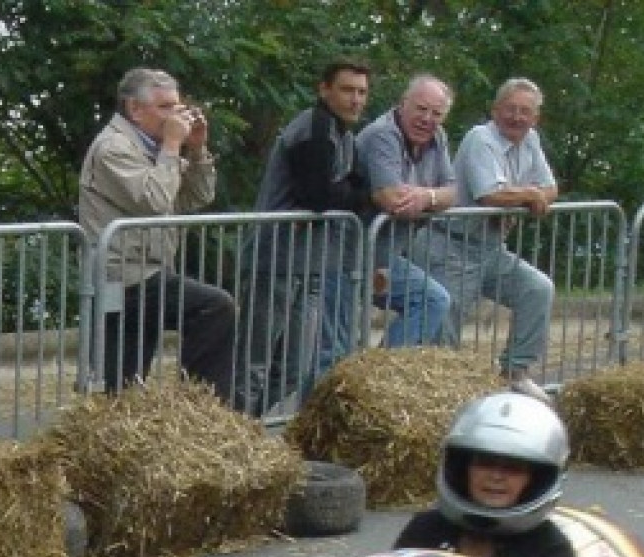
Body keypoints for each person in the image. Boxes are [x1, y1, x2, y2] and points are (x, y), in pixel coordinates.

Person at [78, 66, 236, 402]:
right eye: (165, 107)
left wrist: (196, 150)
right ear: (134, 109)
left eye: (177, 106)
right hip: (124, 278)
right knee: (214, 308)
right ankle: (197, 407)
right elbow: (154, 199)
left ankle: (190, 414)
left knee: (123, 386)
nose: (175, 115)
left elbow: (196, 197)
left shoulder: (156, 147)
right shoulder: (113, 148)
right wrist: (173, 145)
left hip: (150, 273)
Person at [235, 59, 372, 415]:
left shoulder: (346, 136)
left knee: (294, 369)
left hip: (313, 263)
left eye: (362, 92)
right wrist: (354, 195)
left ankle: (246, 427)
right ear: (324, 89)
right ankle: (234, 432)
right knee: (254, 363)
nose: (356, 100)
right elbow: (319, 196)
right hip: (275, 260)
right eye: (347, 90)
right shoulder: (313, 128)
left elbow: (356, 187)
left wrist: (351, 194)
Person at [413, 78, 558, 404]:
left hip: (490, 247)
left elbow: (551, 189)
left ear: (535, 118)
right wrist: (530, 195)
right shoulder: (481, 139)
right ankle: (437, 392)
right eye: (511, 109)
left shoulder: (530, 140)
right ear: (495, 111)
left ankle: (515, 374)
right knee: (447, 317)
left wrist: (527, 196)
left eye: (526, 112)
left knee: (537, 289)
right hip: (451, 243)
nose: (518, 117)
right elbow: (490, 194)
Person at [393, 390, 577, 557]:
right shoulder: (424, 530)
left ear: (535, 481)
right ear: (463, 470)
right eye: (485, 463)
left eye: (513, 468)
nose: (496, 476)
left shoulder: (551, 551)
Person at [357, 73, 455, 347]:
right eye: (421, 109)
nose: (427, 119)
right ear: (403, 104)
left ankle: (380, 377)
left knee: (432, 300)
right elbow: (391, 199)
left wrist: (426, 196)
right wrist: (433, 198)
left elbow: (453, 191)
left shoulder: (438, 137)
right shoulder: (382, 134)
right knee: (332, 347)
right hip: (345, 255)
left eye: (437, 113)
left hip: (382, 258)